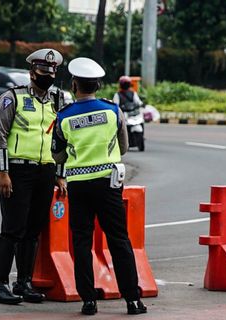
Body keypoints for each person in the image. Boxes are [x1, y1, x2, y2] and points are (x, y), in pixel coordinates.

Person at [51, 57, 148, 315]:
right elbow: (124, 147)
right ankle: (132, 300)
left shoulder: (64, 117)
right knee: (118, 239)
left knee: (81, 241)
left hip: (79, 187)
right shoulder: (111, 111)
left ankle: (88, 301)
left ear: (74, 84)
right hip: (108, 184)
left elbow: (57, 156)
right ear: (98, 85)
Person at [0, 48, 65, 305]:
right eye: (44, 71)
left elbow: (62, 142)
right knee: (13, 228)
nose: (48, 76)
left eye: (52, 72)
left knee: (33, 229)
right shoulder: (12, 98)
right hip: (17, 172)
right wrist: (3, 173)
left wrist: (60, 174)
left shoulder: (57, 100)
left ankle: (24, 282)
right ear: (32, 72)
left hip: (45, 171)